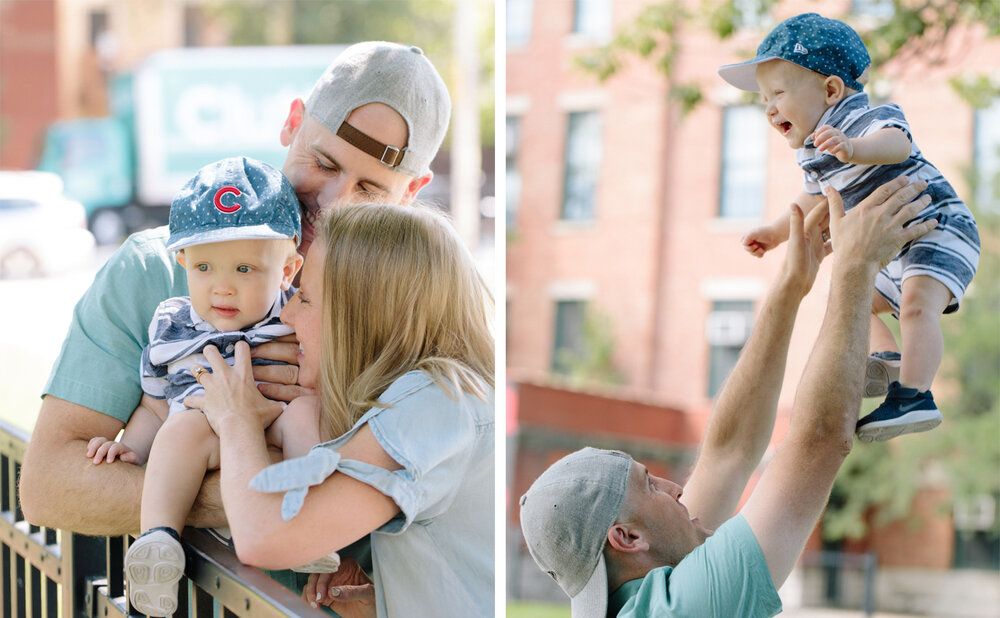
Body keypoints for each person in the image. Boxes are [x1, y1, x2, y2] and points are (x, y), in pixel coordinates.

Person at [18, 40, 449, 596]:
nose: (335, 203)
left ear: (411, 193)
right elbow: (50, 485)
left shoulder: (415, 311)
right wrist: (257, 495)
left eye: (369, 189)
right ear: (292, 123)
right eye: (324, 163)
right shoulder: (153, 271)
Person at [520, 176, 938, 617]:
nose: (676, 488)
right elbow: (819, 440)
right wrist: (855, 267)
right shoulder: (684, 608)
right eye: (651, 485)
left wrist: (791, 286)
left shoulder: (644, 590)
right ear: (626, 538)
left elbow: (729, 452)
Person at [184, 203, 495, 617]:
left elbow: (264, 537)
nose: (288, 315)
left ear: (365, 313)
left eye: (306, 298)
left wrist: (235, 418)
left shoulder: (434, 400)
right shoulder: (451, 396)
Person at [82, 157, 346, 616]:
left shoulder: (293, 318)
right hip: (205, 434)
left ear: (287, 270)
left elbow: (321, 385)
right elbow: (156, 403)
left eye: (245, 270)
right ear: (182, 260)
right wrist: (135, 449)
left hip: (275, 429)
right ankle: (158, 544)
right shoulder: (174, 325)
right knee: (179, 431)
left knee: (307, 414)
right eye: (205, 268)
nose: (222, 288)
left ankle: (303, 523)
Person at [717, 13, 980, 441]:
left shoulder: (864, 118)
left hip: (939, 225)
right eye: (763, 98)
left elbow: (899, 145)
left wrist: (855, 148)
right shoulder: (811, 151)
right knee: (856, 297)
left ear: (831, 89)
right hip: (897, 244)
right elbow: (813, 197)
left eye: (779, 93)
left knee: (916, 306)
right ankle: (887, 357)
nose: (769, 108)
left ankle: (915, 396)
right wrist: (775, 232)